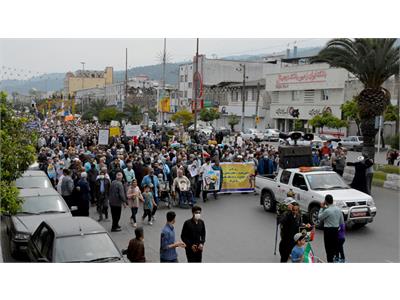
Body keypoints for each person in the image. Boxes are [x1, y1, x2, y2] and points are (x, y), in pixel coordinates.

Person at [318, 194, 344, 263]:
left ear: (326, 201)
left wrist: (322, 208)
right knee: (334, 248)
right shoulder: (338, 209)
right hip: (336, 230)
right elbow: (342, 221)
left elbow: (320, 217)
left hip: (328, 231)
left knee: (328, 249)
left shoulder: (327, 211)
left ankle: (330, 262)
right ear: (332, 200)